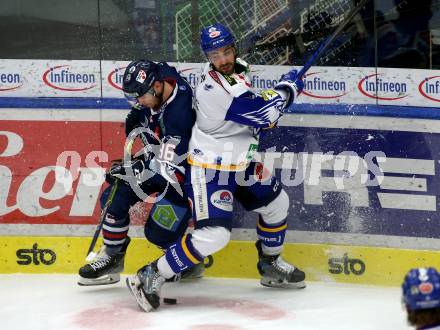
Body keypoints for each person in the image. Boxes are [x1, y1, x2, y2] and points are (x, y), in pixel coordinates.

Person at [126, 23, 305, 312]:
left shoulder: (234, 72)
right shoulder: (213, 88)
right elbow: (264, 114)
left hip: (240, 163)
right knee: (214, 235)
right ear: (207, 57)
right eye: (215, 54)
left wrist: (269, 89)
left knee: (277, 204)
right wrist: (289, 87)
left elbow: (249, 95)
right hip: (210, 168)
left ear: (234, 48)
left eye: (227, 51)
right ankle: (151, 274)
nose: (223, 59)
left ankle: (270, 264)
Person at [78, 59, 204, 285]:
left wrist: (133, 168)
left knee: (158, 233)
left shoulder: (179, 118)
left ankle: (189, 262)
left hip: (183, 179)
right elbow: (160, 66)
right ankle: (112, 256)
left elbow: (169, 169)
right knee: (113, 197)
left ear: (157, 87)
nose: (137, 102)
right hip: (159, 160)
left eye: (140, 96)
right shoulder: (161, 78)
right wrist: (134, 166)